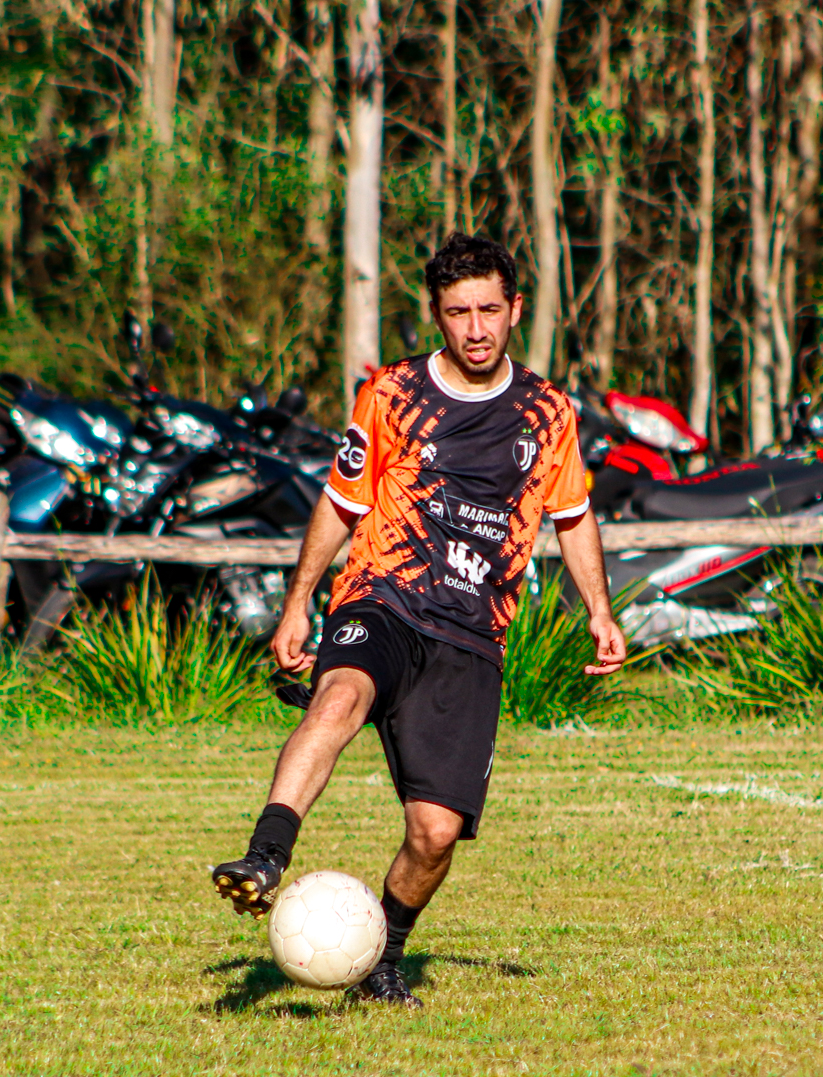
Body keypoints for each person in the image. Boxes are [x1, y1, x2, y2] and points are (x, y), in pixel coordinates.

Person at [212, 233, 626, 1009]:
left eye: (489, 311)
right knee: (339, 697)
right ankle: (265, 856)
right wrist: (299, 601)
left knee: (435, 833)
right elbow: (342, 502)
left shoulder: (547, 412)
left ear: (516, 310)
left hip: (472, 632)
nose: (476, 329)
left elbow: (572, 516)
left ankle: (383, 959)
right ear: (436, 315)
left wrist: (600, 612)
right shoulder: (393, 394)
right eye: (458, 313)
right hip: (385, 595)